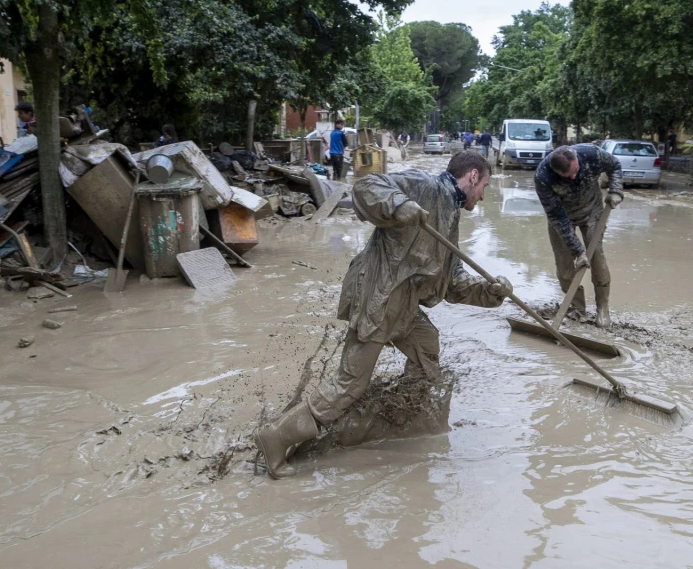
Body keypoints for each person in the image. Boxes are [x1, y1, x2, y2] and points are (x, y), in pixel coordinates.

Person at [254, 151, 512, 479]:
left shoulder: (450, 212)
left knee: (426, 344)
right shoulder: (425, 185)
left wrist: (490, 292)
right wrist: (398, 205)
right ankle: (276, 437)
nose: (484, 194)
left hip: (402, 305)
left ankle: (404, 417)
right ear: (473, 176)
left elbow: (451, 282)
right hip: (378, 298)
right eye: (485, 185)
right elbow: (366, 186)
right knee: (350, 384)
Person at [534, 144, 624, 328]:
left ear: (576, 158)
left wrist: (615, 190)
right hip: (562, 217)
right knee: (565, 269)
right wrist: (578, 252)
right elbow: (557, 218)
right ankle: (577, 309)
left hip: (592, 211)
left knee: (597, 258)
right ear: (556, 171)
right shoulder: (543, 177)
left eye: (576, 171)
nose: (574, 177)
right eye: (568, 176)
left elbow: (614, 165)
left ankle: (602, 308)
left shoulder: (592, 154)